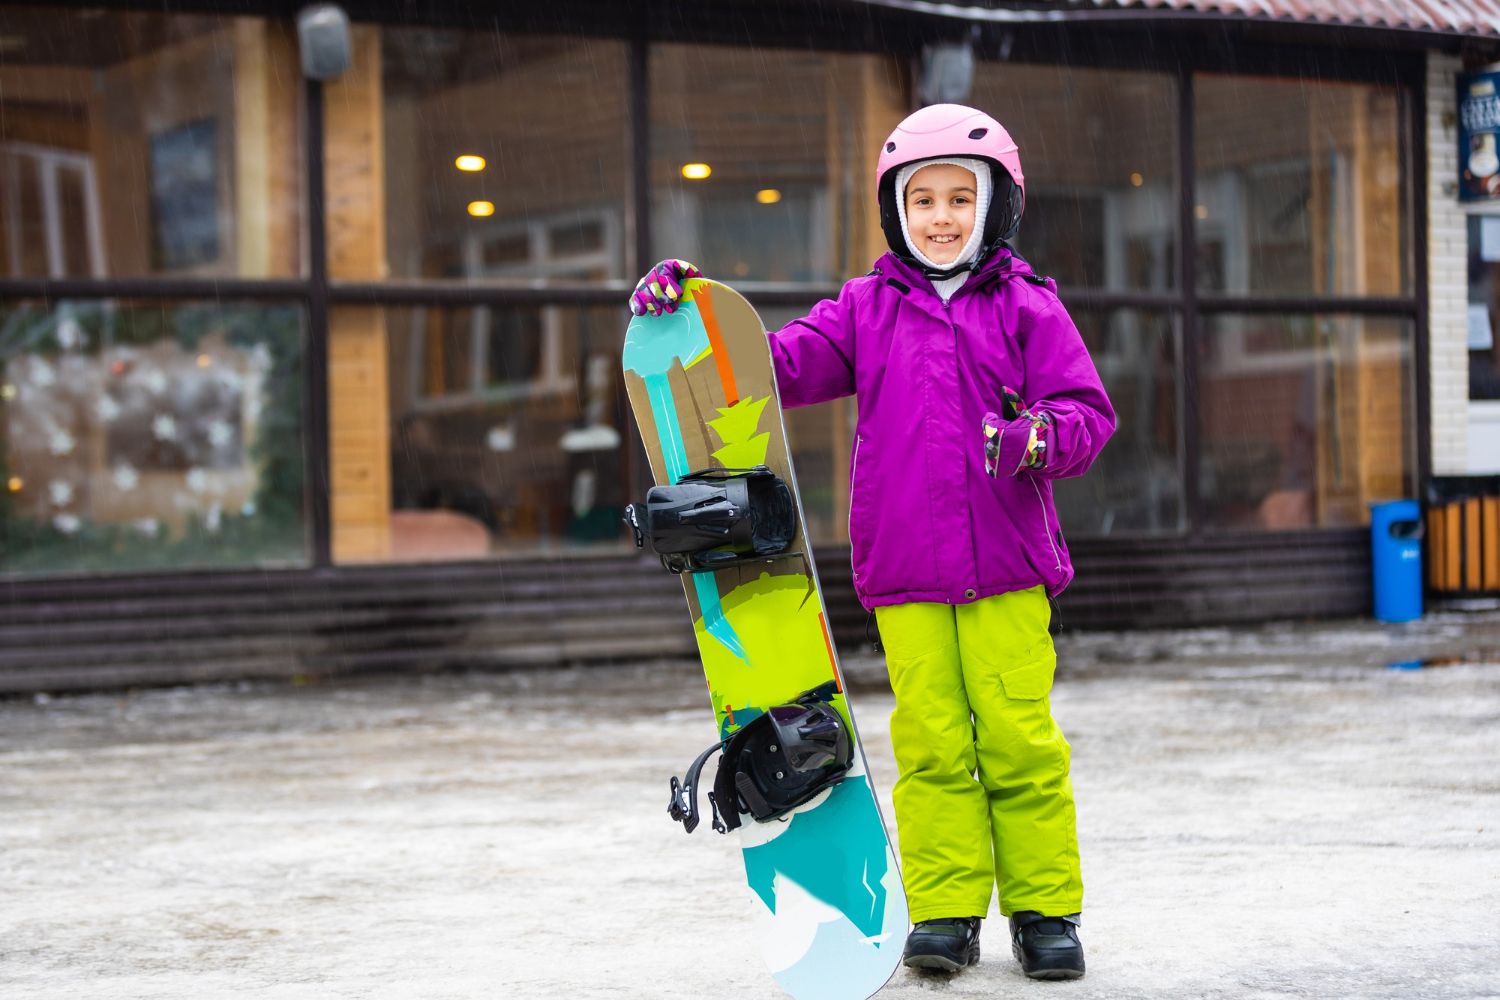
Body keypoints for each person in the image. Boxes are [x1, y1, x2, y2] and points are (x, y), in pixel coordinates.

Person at [629, 103, 1116, 981]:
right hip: (906, 573)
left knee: (1018, 742)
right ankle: (946, 911)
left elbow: (1088, 413)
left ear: (995, 207)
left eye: (958, 200)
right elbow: (771, 365)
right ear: (895, 211)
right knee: (931, 747)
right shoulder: (866, 309)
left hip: (1007, 570)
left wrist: (1035, 437)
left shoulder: (1026, 307)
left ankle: (1046, 911)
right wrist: (691, 314)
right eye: (920, 199)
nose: (939, 217)